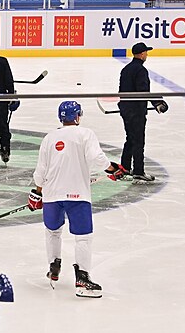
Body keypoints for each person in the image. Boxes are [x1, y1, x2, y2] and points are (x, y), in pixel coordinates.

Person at [29, 101, 127, 298]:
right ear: (77, 117)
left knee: (53, 232)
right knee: (83, 237)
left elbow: (40, 171)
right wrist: (113, 169)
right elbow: (98, 159)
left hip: (51, 195)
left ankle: (54, 266)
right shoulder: (85, 134)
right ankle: (82, 279)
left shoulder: (49, 138)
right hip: (77, 195)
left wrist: (37, 192)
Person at [118, 42, 168, 183]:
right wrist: (157, 102)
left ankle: (125, 168)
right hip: (136, 111)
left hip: (125, 109)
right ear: (141, 54)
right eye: (146, 52)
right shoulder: (141, 70)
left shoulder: (126, 69)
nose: (147, 54)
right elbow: (143, 91)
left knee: (130, 139)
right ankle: (138, 171)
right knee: (138, 140)